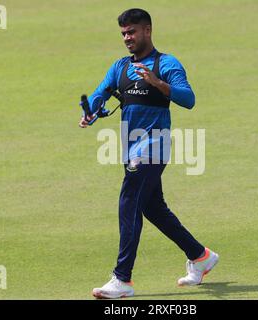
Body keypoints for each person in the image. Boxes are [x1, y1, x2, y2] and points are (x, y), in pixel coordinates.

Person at [79, 8, 219, 299]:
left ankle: (122, 279)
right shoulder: (119, 67)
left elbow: (189, 99)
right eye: (123, 33)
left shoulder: (166, 64)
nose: (127, 38)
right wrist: (92, 110)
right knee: (153, 208)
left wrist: (158, 83)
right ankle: (201, 256)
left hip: (154, 147)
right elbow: (100, 93)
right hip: (131, 149)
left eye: (132, 32)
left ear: (147, 31)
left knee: (129, 202)